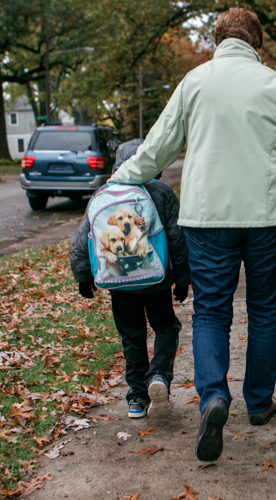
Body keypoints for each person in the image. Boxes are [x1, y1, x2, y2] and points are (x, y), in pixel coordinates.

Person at [111, 8, 276, 461]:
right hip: (268, 217)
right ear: (256, 43)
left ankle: (213, 398)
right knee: (265, 309)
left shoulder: (195, 82)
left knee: (211, 311)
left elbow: (158, 146)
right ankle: (260, 403)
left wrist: (119, 180)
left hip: (207, 219)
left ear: (218, 39)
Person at [71, 139, 190, 419]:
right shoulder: (160, 191)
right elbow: (176, 236)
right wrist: (183, 278)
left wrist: (83, 276)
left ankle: (137, 397)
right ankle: (159, 375)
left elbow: (82, 239)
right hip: (156, 279)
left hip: (118, 282)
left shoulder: (103, 193)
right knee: (165, 327)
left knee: (132, 335)